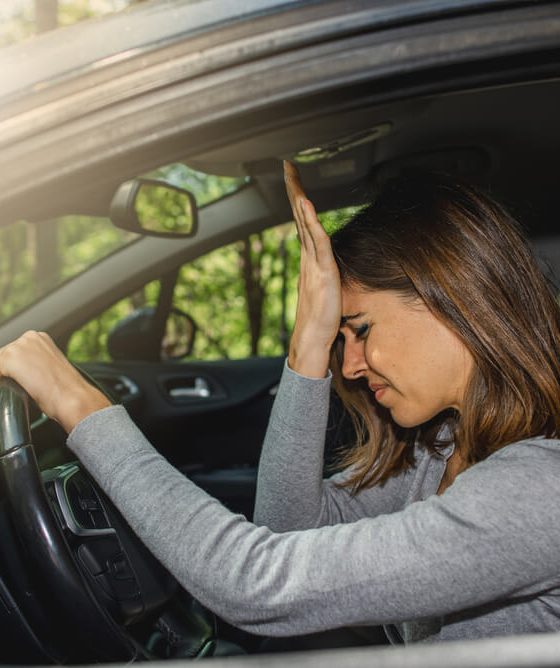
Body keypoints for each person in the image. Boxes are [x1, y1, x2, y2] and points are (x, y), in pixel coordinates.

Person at [1, 162, 560, 645]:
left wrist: (79, 405)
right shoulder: (444, 449)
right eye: (342, 340)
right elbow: (290, 530)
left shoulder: (537, 488)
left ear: (452, 296)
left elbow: (257, 583)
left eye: (360, 330)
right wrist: (307, 344)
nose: (351, 367)